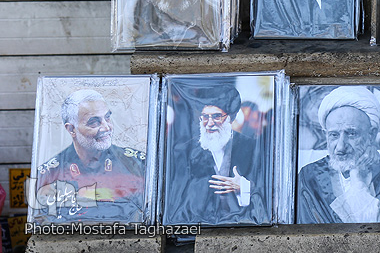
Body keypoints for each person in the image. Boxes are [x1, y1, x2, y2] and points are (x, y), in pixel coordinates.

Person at [34, 90, 146, 222]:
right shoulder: (49, 174)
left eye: (107, 118)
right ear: (71, 129)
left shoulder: (137, 164)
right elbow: (44, 225)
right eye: (94, 122)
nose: (106, 127)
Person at [297, 86, 380, 223]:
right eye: (334, 135)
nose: (341, 147)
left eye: (351, 134)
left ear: (371, 134)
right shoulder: (309, 177)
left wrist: (358, 180)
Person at [166, 86, 266, 224]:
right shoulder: (186, 151)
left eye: (216, 116)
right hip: (198, 225)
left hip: (244, 225)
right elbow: (177, 198)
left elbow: (267, 193)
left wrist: (243, 187)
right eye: (205, 117)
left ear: (230, 117)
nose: (210, 123)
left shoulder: (252, 148)